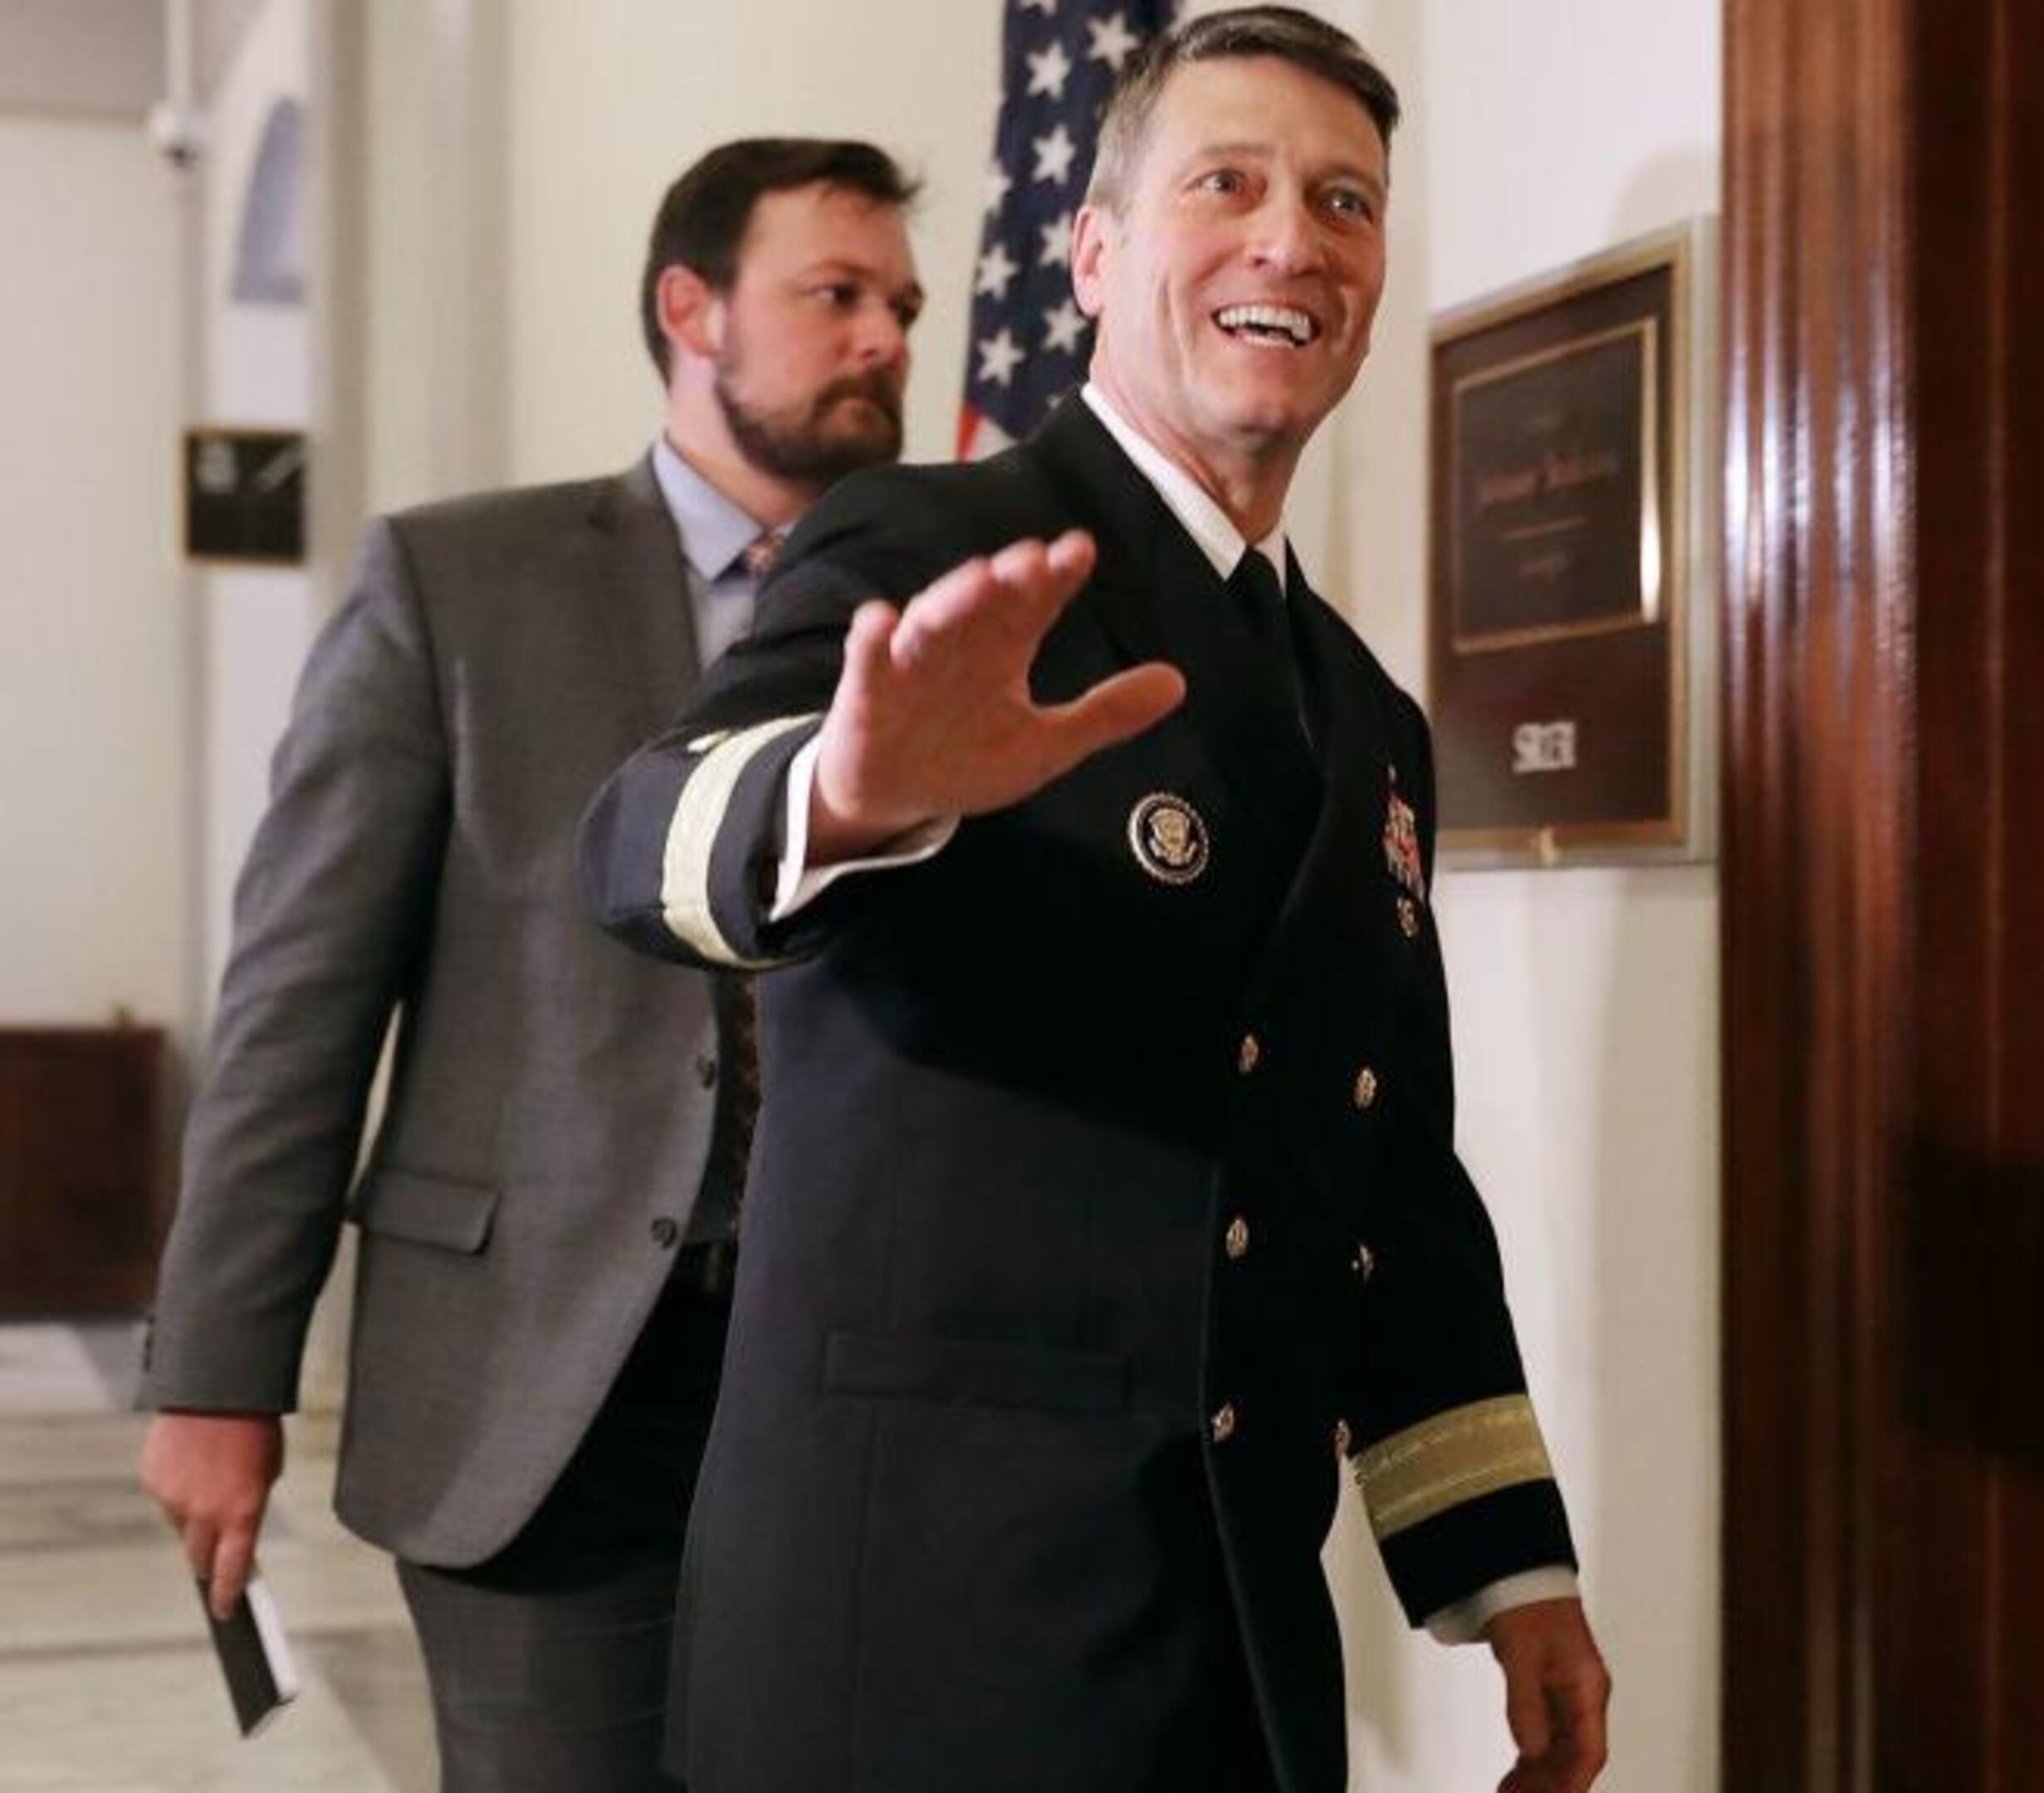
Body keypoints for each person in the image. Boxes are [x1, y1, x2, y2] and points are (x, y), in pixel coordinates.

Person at [576, 11, 1608, 1792]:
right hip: (919, 1639)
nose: (1294, 239)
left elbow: (1387, 1174)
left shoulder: (1366, 716)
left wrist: (1510, 1569)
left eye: (1346, 203)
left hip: (1227, 1636)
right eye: (1230, 183)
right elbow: (636, 846)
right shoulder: (928, 545)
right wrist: (849, 790)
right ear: (1098, 250)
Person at [138, 138, 923, 1791]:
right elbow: (300, 998)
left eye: (903, 306)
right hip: (549, 1388)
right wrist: (219, 1375)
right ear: (689, 309)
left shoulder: (943, 616)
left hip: (863, 1385)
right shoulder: (460, 585)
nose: (887, 340)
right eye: (835, 295)